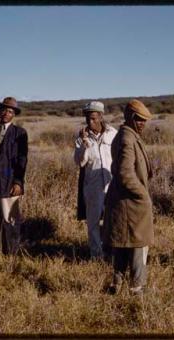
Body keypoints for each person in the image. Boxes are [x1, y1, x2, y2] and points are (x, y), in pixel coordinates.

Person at [104, 99, 154, 295]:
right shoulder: (127, 138)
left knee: (123, 247)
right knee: (138, 247)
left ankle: (116, 286)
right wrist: (143, 196)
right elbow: (125, 173)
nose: (143, 124)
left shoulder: (128, 135)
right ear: (132, 118)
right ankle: (137, 290)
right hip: (132, 205)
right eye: (140, 120)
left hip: (125, 203)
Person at [74, 101, 118, 259]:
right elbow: (79, 162)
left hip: (112, 183)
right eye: (87, 118)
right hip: (92, 185)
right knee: (93, 222)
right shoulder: (81, 137)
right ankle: (96, 255)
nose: (90, 122)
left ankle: (113, 253)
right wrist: (84, 146)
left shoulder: (113, 133)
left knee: (112, 220)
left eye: (93, 118)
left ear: (101, 116)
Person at [0, 97, 28, 255]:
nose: (6, 113)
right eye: (3, 110)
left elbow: (22, 160)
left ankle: (11, 252)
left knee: (9, 218)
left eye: (10, 111)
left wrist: (18, 182)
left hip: (9, 180)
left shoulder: (19, 133)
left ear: (14, 114)